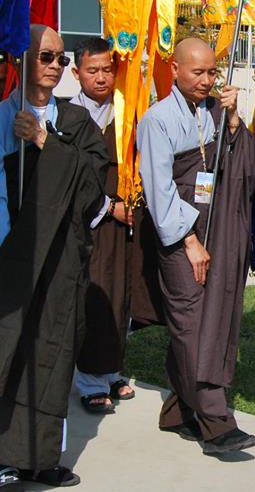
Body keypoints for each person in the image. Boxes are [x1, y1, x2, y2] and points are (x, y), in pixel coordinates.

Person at [137, 38, 255, 455]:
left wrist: (233, 122)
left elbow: (241, 168)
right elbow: (158, 189)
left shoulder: (213, 112)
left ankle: (178, 412)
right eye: (197, 72)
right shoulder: (157, 119)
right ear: (175, 70)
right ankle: (215, 420)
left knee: (207, 317)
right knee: (192, 325)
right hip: (181, 238)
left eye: (212, 72)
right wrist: (188, 241)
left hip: (214, 230)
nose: (207, 81)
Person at [0, 25, 108, 488]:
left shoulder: (75, 121)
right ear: (20, 59)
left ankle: (42, 456)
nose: (56, 67)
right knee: (7, 350)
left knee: (53, 354)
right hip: (11, 258)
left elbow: (94, 187)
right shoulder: (3, 117)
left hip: (62, 258)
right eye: (46, 57)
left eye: (61, 59)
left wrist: (47, 143)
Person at [70, 37, 143, 414]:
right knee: (94, 295)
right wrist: (108, 207)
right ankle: (90, 379)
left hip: (125, 222)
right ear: (76, 72)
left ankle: (112, 369)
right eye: (92, 70)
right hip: (86, 222)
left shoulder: (126, 113)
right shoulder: (67, 118)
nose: (101, 78)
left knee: (121, 293)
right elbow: (67, 176)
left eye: (107, 70)